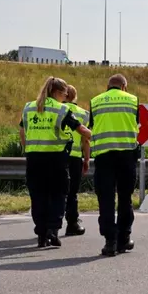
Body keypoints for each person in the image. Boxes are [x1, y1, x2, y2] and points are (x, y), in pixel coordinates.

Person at [19, 76, 91, 248]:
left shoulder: (29, 107)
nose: (65, 97)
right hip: (56, 160)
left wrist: (27, 149)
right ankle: (53, 229)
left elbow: (22, 131)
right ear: (57, 92)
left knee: (38, 196)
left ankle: (41, 234)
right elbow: (80, 129)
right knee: (58, 195)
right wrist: (96, 136)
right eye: (64, 94)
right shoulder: (61, 109)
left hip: (34, 159)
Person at [89, 73, 139, 256]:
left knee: (106, 199)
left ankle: (110, 241)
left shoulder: (96, 101)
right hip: (126, 156)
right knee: (125, 198)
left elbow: (92, 127)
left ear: (107, 86)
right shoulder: (133, 100)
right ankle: (124, 239)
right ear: (124, 86)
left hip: (103, 157)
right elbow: (138, 126)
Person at [63, 85, 90, 236]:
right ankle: (72, 223)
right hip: (74, 158)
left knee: (55, 191)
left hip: (56, 156)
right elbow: (86, 140)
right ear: (75, 96)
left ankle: (50, 226)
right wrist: (86, 159)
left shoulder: (55, 109)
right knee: (72, 192)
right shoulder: (82, 114)